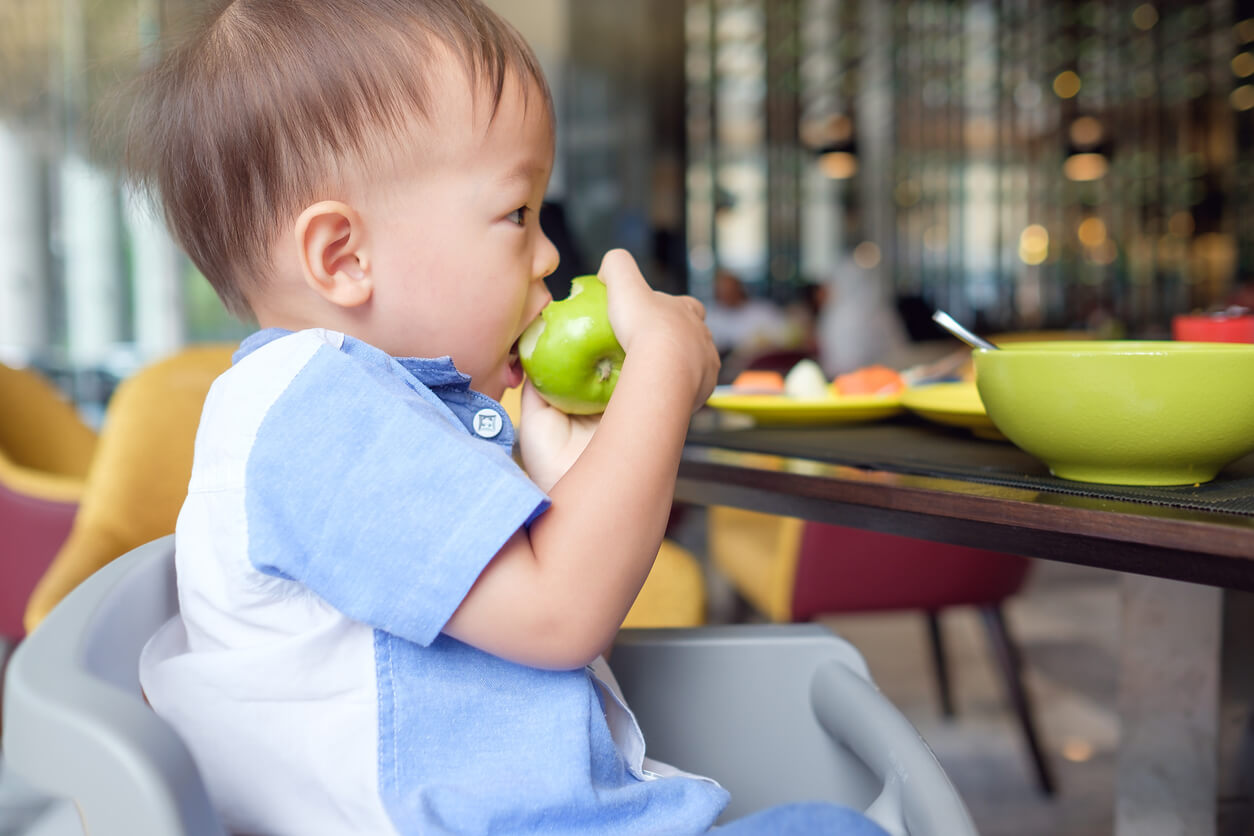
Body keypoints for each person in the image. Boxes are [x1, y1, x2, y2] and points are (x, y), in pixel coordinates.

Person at [125, 2, 890, 834]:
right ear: (344, 257)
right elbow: (558, 614)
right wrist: (659, 379)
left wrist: (558, 472)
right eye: (516, 214)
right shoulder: (316, 409)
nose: (551, 254)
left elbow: (516, 590)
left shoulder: (387, 410)